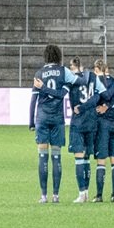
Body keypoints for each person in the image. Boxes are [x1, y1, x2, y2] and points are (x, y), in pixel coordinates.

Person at [29, 44, 78, 202]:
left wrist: (31, 121)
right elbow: (60, 95)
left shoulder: (39, 73)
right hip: (57, 119)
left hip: (42, 118)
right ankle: (55, 196)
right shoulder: (64, 72)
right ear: (58, 56)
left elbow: (33, 101)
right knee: (56, 157)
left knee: (42, 156)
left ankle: (43, 196)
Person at [65, 56, 105, 203]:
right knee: (87, 157)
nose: (70, 69)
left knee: (79, 158)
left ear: (77, 67)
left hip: (79, 121)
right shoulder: (93, 77)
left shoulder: (71, 79)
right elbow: (99, 95)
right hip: (92, 120)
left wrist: (81, 107)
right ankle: (86, 192)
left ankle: (82, 193)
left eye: (71, 67)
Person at [92, 59, 114, 202]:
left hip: (102, 123)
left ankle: (99, 195)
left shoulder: (97, 81)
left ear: (98, 69)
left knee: (101, 160)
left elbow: (96, 98)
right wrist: (110, 105)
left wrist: (104, 106)